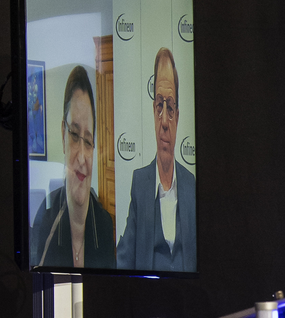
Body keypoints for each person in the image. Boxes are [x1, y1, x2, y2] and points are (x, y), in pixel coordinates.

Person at [117, 48, 197, 271]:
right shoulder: (140, 183)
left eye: (170, 107)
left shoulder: (191, 186)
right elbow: (123, 259)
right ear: (153, 112)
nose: (164, 121)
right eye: (159, 105)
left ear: (177, 117)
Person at [31, 65, 115, 269]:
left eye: (88, 140)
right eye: (74, 135)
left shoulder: (104, 225)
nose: (82, 157)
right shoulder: (45, 220)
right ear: (62, 135)